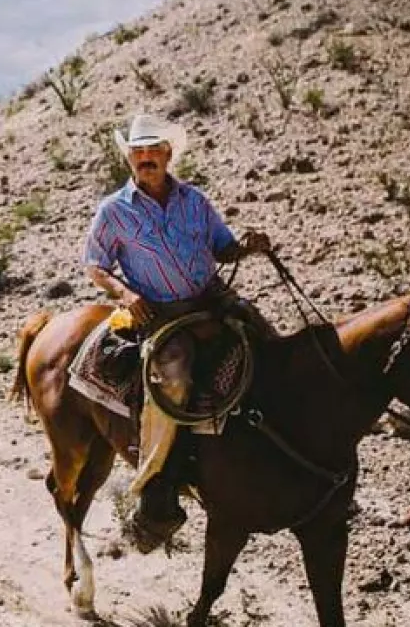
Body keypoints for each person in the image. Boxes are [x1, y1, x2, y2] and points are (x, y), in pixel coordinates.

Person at [82, 112, 274, 549]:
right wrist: (124, 294)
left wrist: (247, 246)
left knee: (268, 341)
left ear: (168, 155)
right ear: (129, 158)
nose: (146, 158)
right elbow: (95, 264)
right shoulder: (113, 211)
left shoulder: (195, 201)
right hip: (162, 313)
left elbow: (222, 248)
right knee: (174, 376)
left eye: (154, 151)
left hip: (211, 297)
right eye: (138, 152)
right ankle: (156, 486)